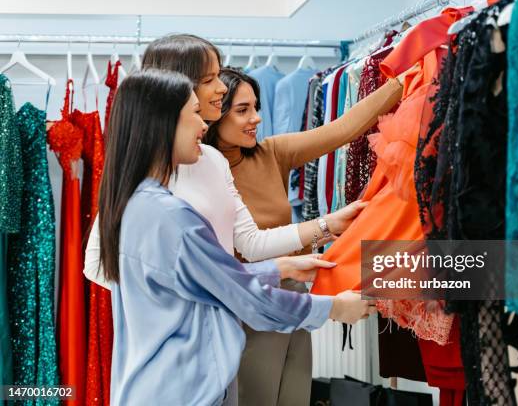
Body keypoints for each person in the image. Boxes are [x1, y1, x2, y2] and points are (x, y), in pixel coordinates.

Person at [99, 69, 374, 405]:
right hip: (185, 390)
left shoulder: (135, 206)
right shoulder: (174, 219)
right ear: (164, 124)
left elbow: (208, 280)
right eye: (195, 113)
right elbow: (245, 297)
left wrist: (279, 269)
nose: (204, 124)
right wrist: (334, 308)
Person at [84, 34, 365, 289]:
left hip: (225, 324)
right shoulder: (144, 171)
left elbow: (251, 243)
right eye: (209, 80)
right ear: (173, 86)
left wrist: (328, 224)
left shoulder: (213, 160)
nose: (221, 88)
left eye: (218, 76)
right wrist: (176, 299)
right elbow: (98, 267)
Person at [204, 67, 404, 405]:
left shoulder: (272, 153)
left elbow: (344, 129)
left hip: (296, 298)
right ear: (216, 115)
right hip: (248, 306)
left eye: (256, 107)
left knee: (295, 398)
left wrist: (404, 78)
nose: (255, 118)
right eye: (242, 111)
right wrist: (325, 226)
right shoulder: (202, 172)